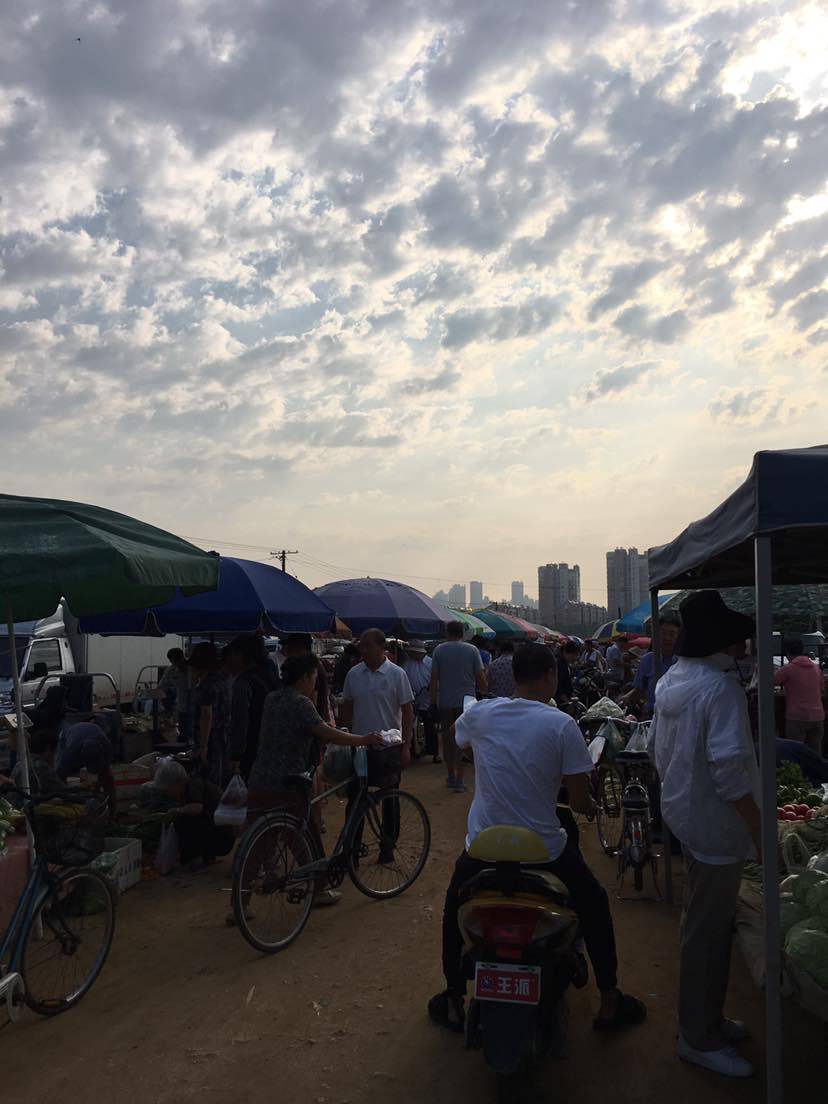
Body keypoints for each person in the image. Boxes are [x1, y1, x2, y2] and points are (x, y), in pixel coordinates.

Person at [428, 643, 646, 1035]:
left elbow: (461, 742)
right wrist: (592, 807)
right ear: (549, 675)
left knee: (452, 908)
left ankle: (453, 997)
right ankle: (610, 999)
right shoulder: (561, 724)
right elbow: (578, 801)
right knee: (594, 904)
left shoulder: (480, 714)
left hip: (484, 848)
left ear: (515, 676)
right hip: (542, 851)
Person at [650, 590, 760, 1078]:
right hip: (716, 826)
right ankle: (697, 1037)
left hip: (686, 817)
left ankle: (708, 1019)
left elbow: (658, 751)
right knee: (707, 935)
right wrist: (760, 830)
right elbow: (730, 771)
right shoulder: (719, 688)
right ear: (725, 641)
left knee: (703, 928)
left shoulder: (673, 679)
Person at [247, 653, 384, 909]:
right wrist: (363, 739)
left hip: (259, 780)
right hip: (288, 783)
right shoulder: (301, 704)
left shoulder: (271, 698)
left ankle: (239, 905)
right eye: (313, 677)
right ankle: (319, 889)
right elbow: (328, 734)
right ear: (304, 678)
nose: (315, 682)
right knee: (306, 837)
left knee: (255, 846)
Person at [340, 630, 415, 763]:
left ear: (381, 647)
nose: (363, 650)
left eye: (368, 646)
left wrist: (406, 747)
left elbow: (408, 713)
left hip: (389, 747)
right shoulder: (353, 674)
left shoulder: (397, 674)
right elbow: (347, 710)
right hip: (360, 747)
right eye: (361, 646)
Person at [430, 621, 488, 793]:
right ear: (462, 633)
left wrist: (432, 701)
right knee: (464, 740)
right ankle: (460, 780)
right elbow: (480, 677)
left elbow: (434, 678)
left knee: (448, 740)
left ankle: (451, 776)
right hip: (467, 703)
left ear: (447, 633)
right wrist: (485, 694)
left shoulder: (439, 650)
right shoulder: (472, 650)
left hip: (445, 702)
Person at [153, 758, 235, 868]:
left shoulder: (193, 785)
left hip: (223, 836)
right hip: (221, 831)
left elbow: (198, 808)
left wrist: (176, 811)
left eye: (167, 789)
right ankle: (205, 856)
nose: (167, 793)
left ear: (176, 783)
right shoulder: (189, 787)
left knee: (182, 821)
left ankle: (195, 860)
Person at [226, 635, 277, 781]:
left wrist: (236, 755)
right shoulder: (270, 671)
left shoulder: (243, 683)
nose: (230, 660)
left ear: (243, 655)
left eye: (233, 655)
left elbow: (240, 722)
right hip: (274, 745)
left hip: (252, 750)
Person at [189, 642, 231, 787]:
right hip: (224, 738)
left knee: (207, 782)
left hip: (211, 740)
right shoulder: (223, 681)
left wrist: (203, 747)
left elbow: (206, 716)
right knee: (220, 779)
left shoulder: (206, 685)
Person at [774, 639, 825, 755]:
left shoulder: (789, 668)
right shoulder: (816, 668)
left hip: (797, 717)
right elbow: (821, 688)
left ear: (787, 653)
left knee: (796, 754)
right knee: (815, 754)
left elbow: (770, 682)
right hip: (818, 717)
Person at [624, 615, 681, 718]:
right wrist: (627, 697)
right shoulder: (647, 660)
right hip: (652, 715)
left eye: (672, 634)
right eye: (663, 633)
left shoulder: (685, 662)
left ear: (679, 636)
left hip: (679, 716)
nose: (667, 638)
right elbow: (638, 689)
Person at [56, 719, 116, 812]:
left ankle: (112, 812)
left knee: (107, 780)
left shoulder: (106, 747)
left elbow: (106, 774)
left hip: (92, 732)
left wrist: (97, 789)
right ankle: (67, 808)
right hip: (69, 734)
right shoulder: (69, 752)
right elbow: (60, 774)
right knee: (61, 781)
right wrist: (65, 794)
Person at [281, 633, 332, 722]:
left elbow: (313, 701)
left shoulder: (311, 669)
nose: (286, 649)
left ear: (300, 647)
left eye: (290, 645)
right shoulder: (311, 666)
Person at [403, 640, 439, 762]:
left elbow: (436, 679)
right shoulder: (407, 665)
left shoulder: (431, 663)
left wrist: (432, 688)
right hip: (411, 699)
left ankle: (435, 753)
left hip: (427, 699)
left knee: (430, 726)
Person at [11, 728, 65, 800]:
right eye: (57, 750)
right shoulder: (42, 768)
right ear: (49, 749)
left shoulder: (21, 763)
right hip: (26, 805)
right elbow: (63, 791)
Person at [158, 648, 191, 737]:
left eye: (176, 660)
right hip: (182, 706)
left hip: (196, 706)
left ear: (182, 657)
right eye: (172, 661)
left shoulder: (192, 668)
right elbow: (161, 686)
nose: (174, 663)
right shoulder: (171, 670)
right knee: (183, 733)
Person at [556, 641, 581, 707]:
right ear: (566, 653)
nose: (575, 658)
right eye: (575, 655)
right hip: (561, 701)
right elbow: (559, 685)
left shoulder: (566, 664)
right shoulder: (560, 665)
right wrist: (565, 700)